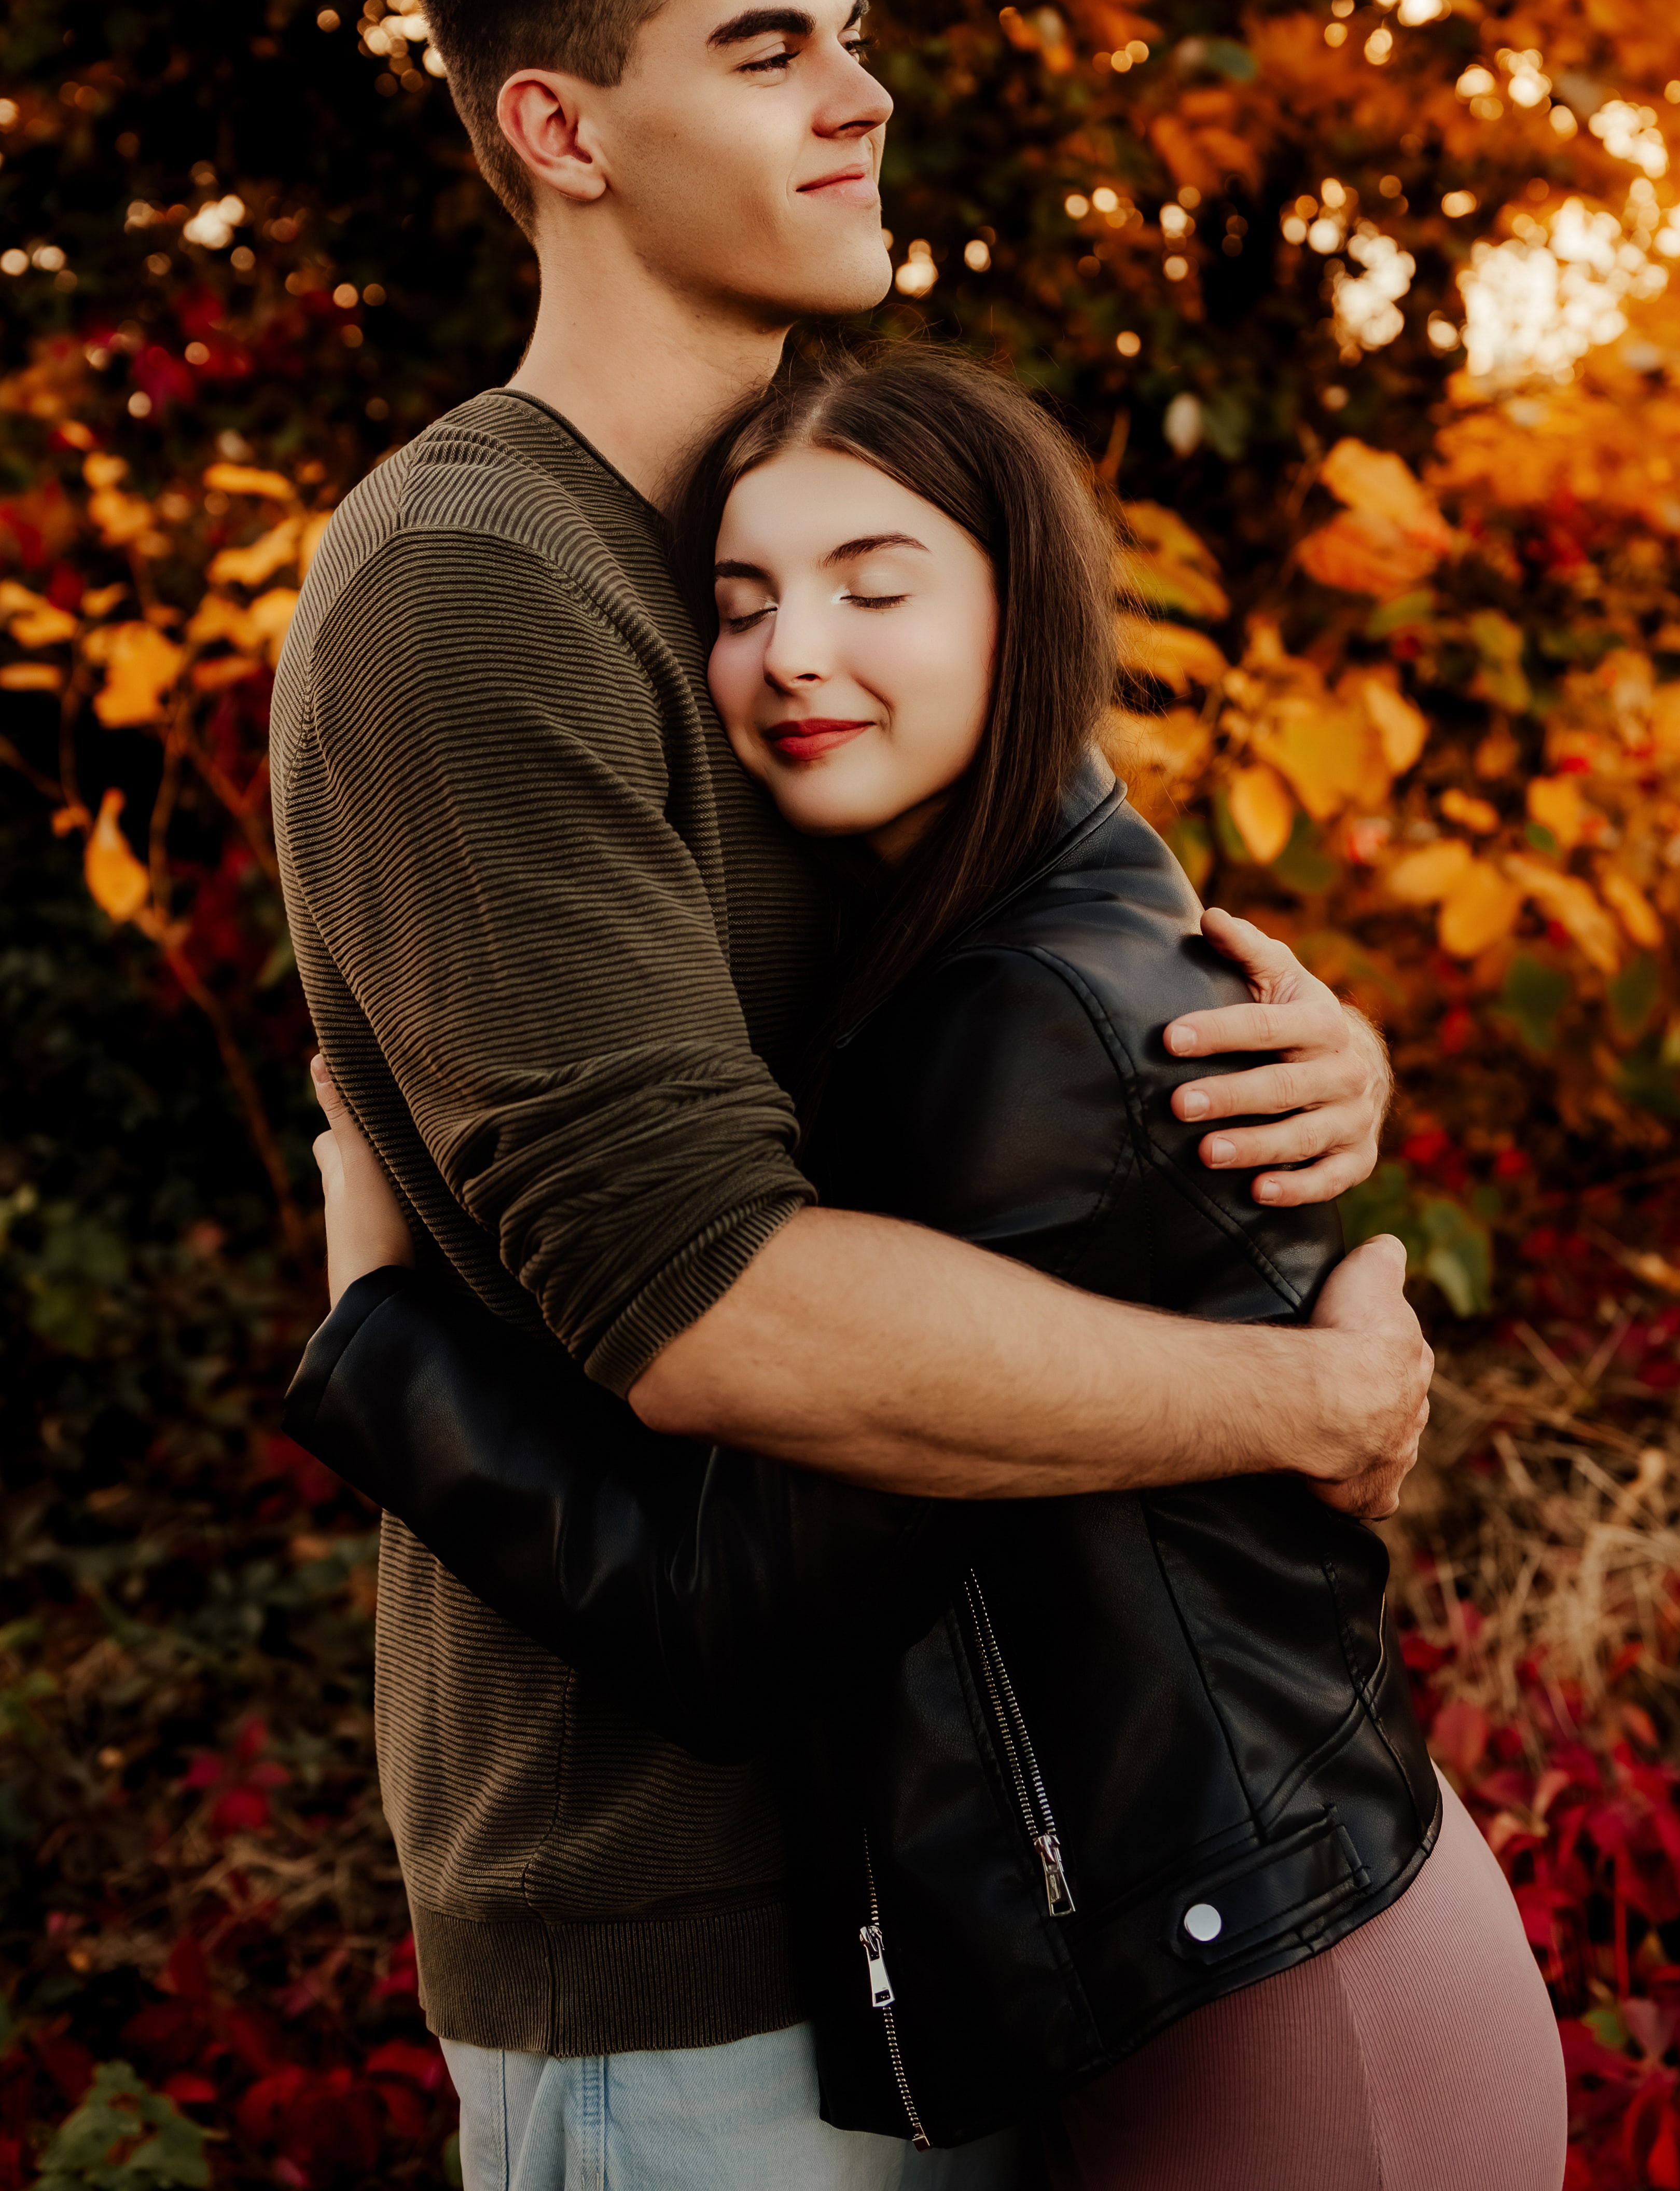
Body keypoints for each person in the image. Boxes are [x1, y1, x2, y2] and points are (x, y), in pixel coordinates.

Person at [271, 0, 1428, 2191]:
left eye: (855, 35)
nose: (864, 95)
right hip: (689, 1937)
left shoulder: (820, 550)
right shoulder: (479, 581)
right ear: (561, 126)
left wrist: (1312, 1069)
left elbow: (1099, 1016)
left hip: (1002, 1869)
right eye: (772, 44)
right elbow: (715, 1315)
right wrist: (1296, 1405)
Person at [296, 348, 1565, 2191]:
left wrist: (372, 1322)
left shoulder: (1012, 1029)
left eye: (872, 587)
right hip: (1238, 1931)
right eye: (742, 606)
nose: (795, 648)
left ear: (1017, 614)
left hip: (1295, 2028)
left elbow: (734, 1609)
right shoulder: (1046, 910)